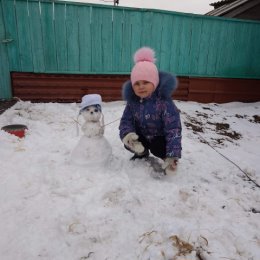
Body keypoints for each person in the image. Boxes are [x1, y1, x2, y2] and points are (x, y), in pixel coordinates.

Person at [119, 47, 182, 174]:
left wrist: (172, 154)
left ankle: (168, 160)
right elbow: (126, 120)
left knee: (157, 147)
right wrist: (128, 135)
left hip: (159, 138)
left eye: (146, 82)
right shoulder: (133, 101)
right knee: (129, 142)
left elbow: (173, 128)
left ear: (154, 82)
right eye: (137, 83)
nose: (141, 86)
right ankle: (141, 152)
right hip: (142, 135)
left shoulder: (164, 102)